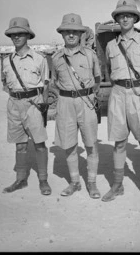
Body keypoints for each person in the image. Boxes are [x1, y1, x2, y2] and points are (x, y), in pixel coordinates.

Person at [101, 0, 140, 205]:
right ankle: (117, 185)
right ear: (116, 19)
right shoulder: (110, 45)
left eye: (128, 15)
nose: (124, 18)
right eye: (120, 15)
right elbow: (108, 69)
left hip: (139, 95)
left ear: (135, 18)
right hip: (117, 94)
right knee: (119, 143)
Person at [52, 13, 101, 199]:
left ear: (81, 34)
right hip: (65, 104)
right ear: (62, 34)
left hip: (86, 102)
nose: (71, 35)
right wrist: (66, 97)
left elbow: (97, 79)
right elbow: (55, 82)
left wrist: (88, 95)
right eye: (67, 32)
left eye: (75, 32)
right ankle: (74, 182)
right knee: (69, 145)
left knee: (91, 145)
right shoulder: (56, 58)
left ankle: (92, 183)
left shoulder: (90, 55)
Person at [2, 17, 52, 195]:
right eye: (13, 34)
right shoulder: (7, 60)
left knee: (39, 144)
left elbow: (46, 85)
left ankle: (43, 180)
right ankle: (20, 179)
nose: (16, 37)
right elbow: (5, 84)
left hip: (34, 104)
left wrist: (42, 107)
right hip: (14, 104)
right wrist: (16, 99)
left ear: (27, 36)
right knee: (20, 145)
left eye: (20, 34)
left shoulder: (39, 59)